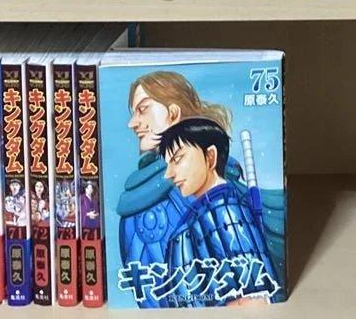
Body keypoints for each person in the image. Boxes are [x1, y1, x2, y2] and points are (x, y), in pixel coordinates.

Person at [116, 72, 284, 303]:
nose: (132, 123)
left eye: (143, 109)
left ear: (173, 113)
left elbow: (251, 296)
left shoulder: (222, 207)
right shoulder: (176, 202)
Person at [158, 118, 282, 305]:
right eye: (169, 163)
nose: (168, 174)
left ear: (210, 157)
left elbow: (251, 300)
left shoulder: (225, 214)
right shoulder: (203, 215)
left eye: (177, 159)